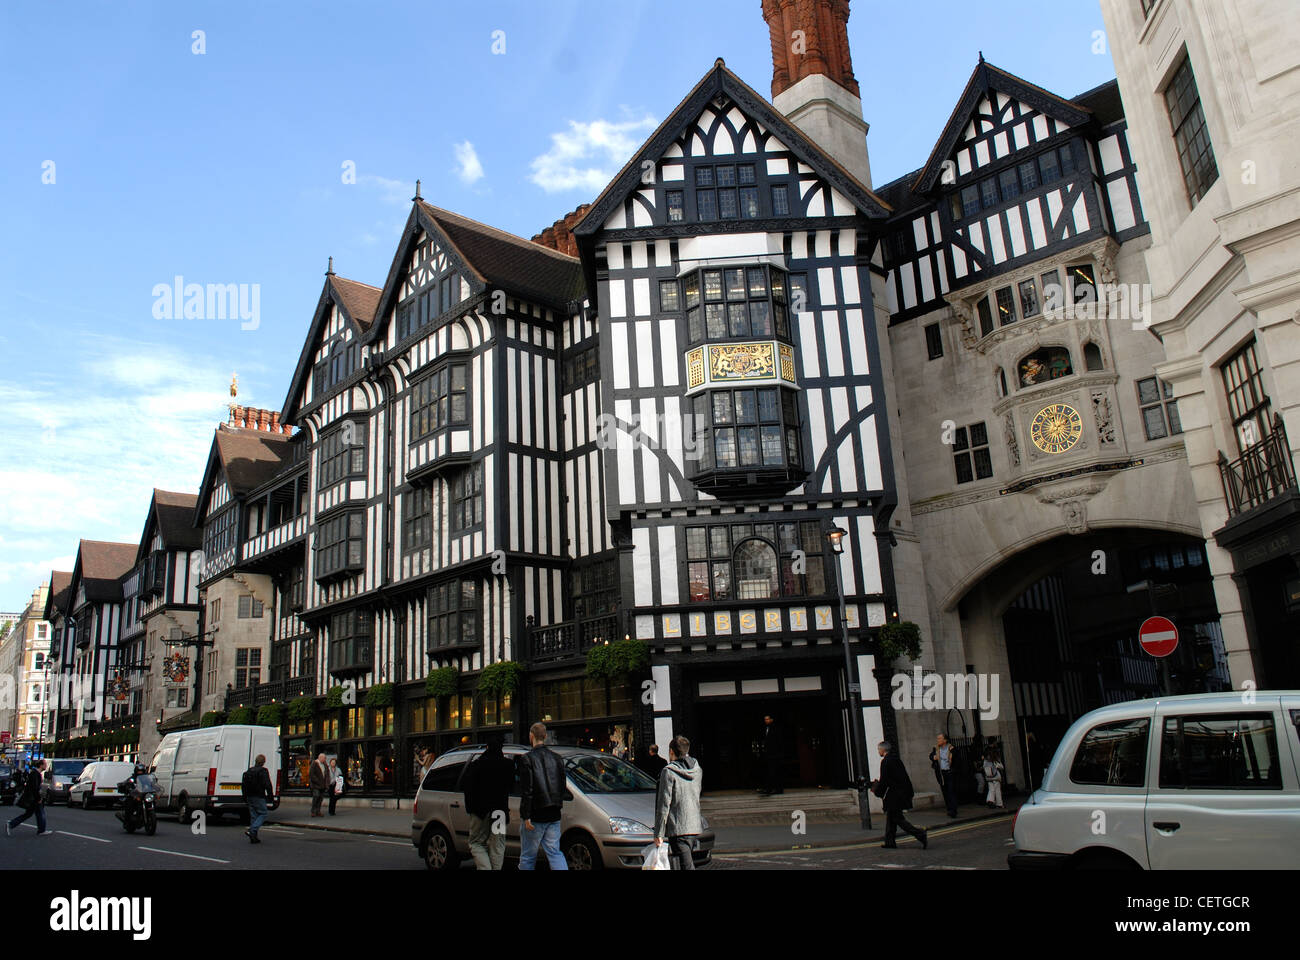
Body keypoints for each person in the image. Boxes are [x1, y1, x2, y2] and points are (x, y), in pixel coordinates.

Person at [518, 721, 568, 870]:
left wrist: (526, 815)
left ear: (531, 736)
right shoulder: (558, 758)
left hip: (535, 813)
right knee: (555, 853)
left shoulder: (527, 759)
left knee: (528, 856)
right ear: (545, 736)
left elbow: (527, 789)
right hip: (554, 813)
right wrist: (558, 804)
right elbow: (562, 785)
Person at [463, 736, 514, 870]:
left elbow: (467, 787)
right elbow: (512, 786)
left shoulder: (476, 765)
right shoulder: (508, 765)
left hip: (480, 811)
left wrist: (470, 808)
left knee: (476, 843)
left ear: (487, 747)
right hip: (500, 811)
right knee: (498, 845)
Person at [653, 736, 703, 871]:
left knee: (686, 866)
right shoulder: (697, 769)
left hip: (678, 828)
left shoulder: (668, 772)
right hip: (694, 825)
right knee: (685, 864)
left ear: (671, 751)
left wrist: (659, 833)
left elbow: (664, 804)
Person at [871, 741, 928, 850]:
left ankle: (920, 834)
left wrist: (878, 792)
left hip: (894, 796)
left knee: (898, 819)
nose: (878, 751)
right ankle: (890, 841)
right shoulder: (896, 759)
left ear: (883, 750)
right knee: (891, 819)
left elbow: (884, 781)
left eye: (879, 750)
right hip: (902, 793)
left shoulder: (885, 762)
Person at [6, 759, 51, 837]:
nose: (46, 766)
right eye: (45, 764)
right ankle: (41, 830)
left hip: (33, 798)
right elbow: (35, 788)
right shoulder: (35, 774)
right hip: (33, 798)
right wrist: (38, 798)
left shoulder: (35, 773)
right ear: (41, 765)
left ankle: (11, 824)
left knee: (30, 814)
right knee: (39, 813)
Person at [241, 753, 274, 844]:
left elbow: (243, 785)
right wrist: (271, 796)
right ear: (263, 762)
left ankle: (254, 837)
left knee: (254, 816)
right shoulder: (263, 771)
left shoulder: (249, 771)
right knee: (263, 813)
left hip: (249, 796)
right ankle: (252, 830)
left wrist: (244, 797)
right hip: (259, 796)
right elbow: (267, 784)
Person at [930, 732, 959, 817]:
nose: (938, 740)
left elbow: (957, 761)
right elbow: (931, 756)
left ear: (945, 740)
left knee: (951, 791)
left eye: (940, 738)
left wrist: (953, 769)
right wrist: (933, 758)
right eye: (937, 738)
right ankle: (949, 809)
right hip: (941, 773)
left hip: (949, 773)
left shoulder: (951, 749)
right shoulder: (936, 749)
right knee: (945, 792)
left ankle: (953, 810)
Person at [760, 714, 784, 795]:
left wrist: (777, 753)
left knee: (775, 771)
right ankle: (769, 788)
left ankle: (778, 789)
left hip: (775, 754)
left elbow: (778, 742)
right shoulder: (766, 728)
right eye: (765, 719)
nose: (766, 721)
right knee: (770, 771)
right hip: (769, 754)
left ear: (771, 719)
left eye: (767, 719)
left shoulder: (775, 728)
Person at [309, 752, 329, 817]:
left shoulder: (325, 765)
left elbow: (327, 774)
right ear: (320, 758)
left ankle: (318, 811)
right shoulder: (314, 763)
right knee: (316, 797)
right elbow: (311, 774)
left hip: (323, 785)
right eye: (324, 758)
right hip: (316, 785)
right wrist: (317, 781)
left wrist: (326, 783)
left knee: (320, 798)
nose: (325, 759)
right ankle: (313, 811)